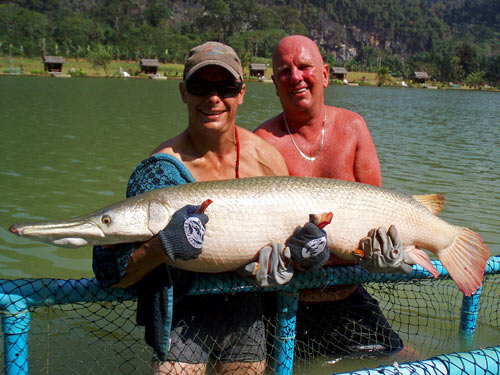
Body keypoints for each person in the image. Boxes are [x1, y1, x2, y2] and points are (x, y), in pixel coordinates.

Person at [93, 41, 329, 375]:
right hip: (184, 316)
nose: (213, 97)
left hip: (246, 313)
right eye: (201, 86)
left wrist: (304, 254)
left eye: (226, 86)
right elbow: (112, 272)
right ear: (183, 92)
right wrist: (162, 247)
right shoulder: (161, 170)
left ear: (241, 92)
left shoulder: (268, 160)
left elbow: (289, 243)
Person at [253, 35, 412, 359]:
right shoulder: (263, 141)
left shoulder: (353, 127)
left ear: (325, 74)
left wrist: (390, 254)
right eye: (284, 71)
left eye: (304, 66)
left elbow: (378, 216)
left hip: (349, 296)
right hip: (287, 299)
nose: (295, 77)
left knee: (405, 356)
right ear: (274, 82)